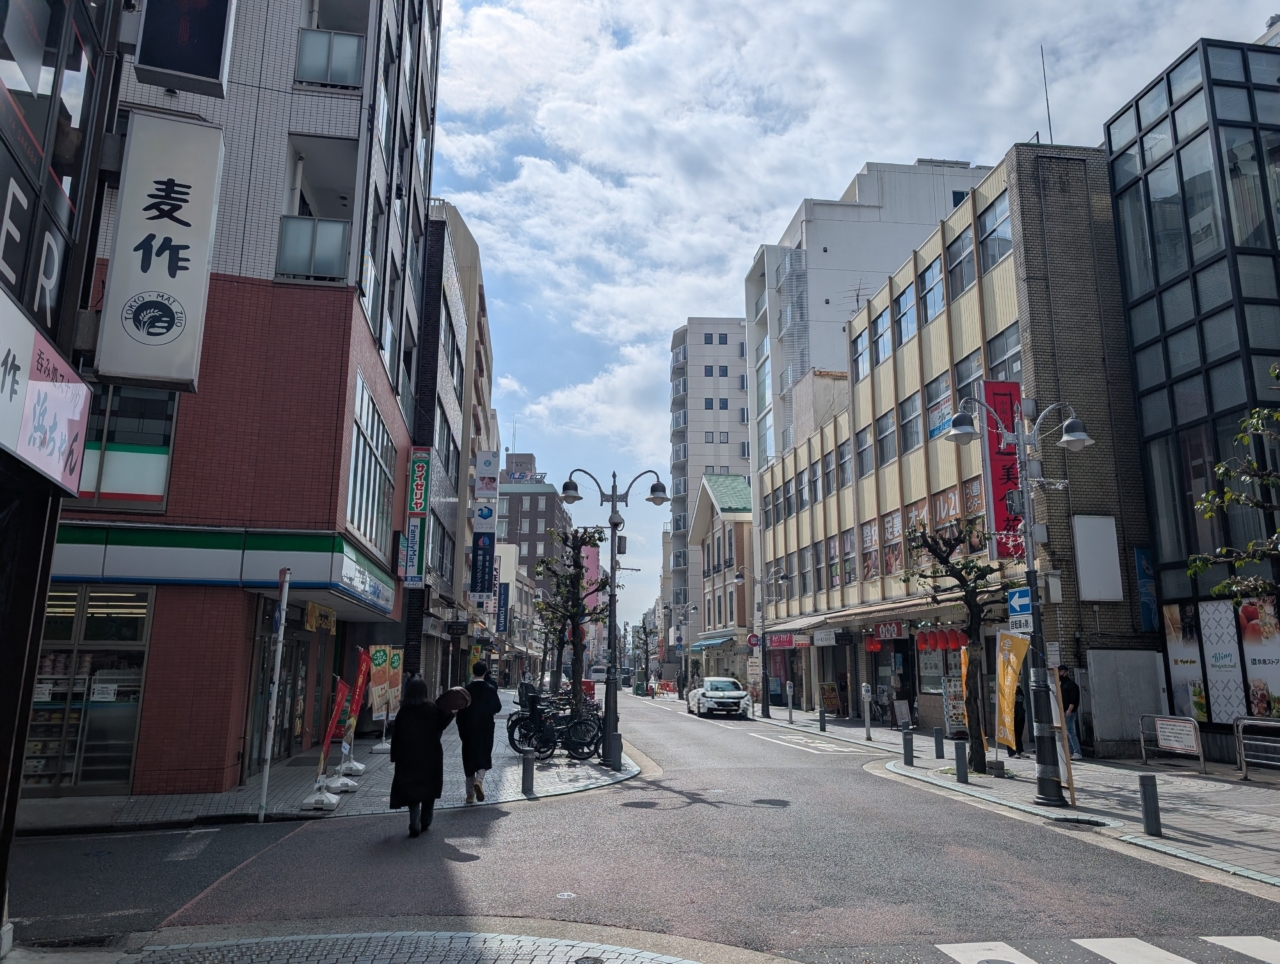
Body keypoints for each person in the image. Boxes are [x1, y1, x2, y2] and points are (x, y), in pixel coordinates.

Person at [390, 676, 464, 837]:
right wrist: (451, 714)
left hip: (408, 757)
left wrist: (394, 755)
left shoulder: (404, 710)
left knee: (412, 792)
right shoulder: (431, 707)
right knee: (429, 790)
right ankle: (426, 820)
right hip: (430, 756)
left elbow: (396, 735)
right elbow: (440, 725)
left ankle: (414, 822)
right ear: (424, 691)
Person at [457, 662, 503, 804]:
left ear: (473, 672)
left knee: (469, 760)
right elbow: (498, 707)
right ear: (485, 672)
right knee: (483, 756)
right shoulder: (489, 689)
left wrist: (462, 731)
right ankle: (479, 781)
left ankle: (470, 794)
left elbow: (460, 713)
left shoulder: (466, 690)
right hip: (485, 729)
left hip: (469, 730)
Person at [1058, 664, 1082, 761]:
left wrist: (1069, 710)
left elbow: (1074, 699)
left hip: (1070, 712)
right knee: (1068, 731)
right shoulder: (1063, 684)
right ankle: (1072, 751)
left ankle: (1077, 752)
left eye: (1060, 672)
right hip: (1065, 711)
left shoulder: (1071, 685)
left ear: (1064, 672)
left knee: (1070, 731)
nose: (1059, 674)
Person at [1013, 686, 1027, 758]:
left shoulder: (1020, 690)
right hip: (1013, 714)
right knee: (1012, 733)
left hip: (1020, 714)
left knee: (1019, 733)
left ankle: (1020, 750)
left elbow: (1022, 699)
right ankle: (1012, 752)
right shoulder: (1009, 689)